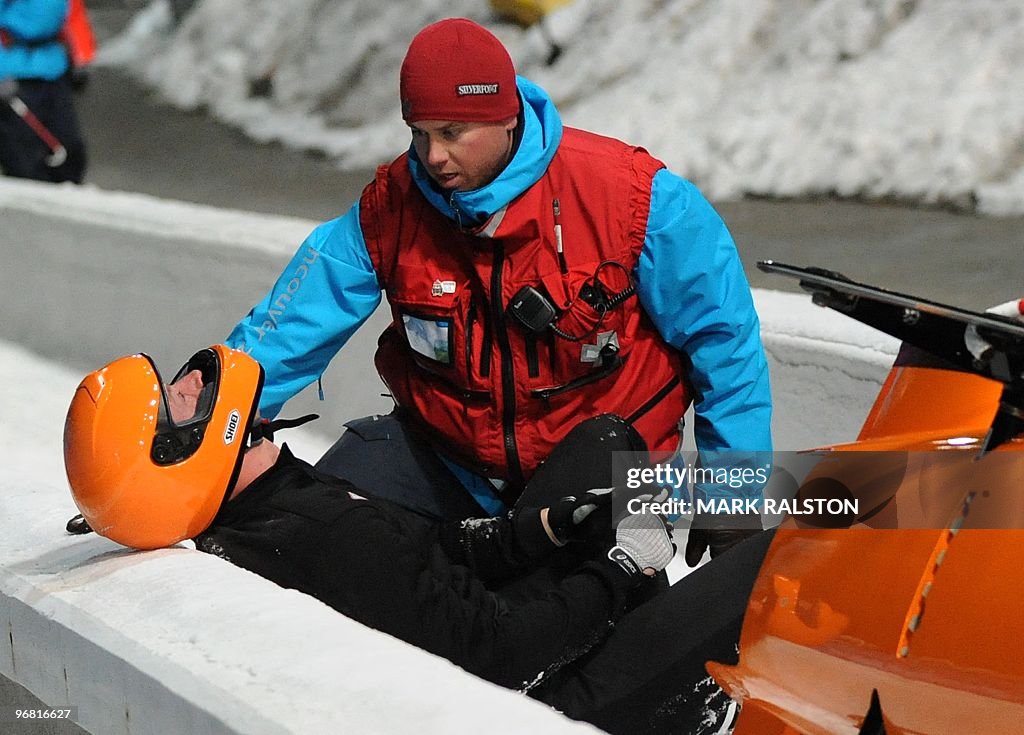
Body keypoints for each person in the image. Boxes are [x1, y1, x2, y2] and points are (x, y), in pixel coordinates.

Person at [226, 18, 772, 563]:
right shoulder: (389, 209)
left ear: (506, 116)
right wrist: (207, 418)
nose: (432, 156)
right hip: (455, 466)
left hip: (606, 476)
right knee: (320, 534)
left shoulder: (635, 199)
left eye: (452, 132)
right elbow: (287, 328)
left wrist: (736, 500)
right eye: (419, 133)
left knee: (558, 621)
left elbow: (726, 344)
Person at [63, 344, 774, 734]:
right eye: (181, 397)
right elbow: (501, 655)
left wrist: (541, 530)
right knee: (779, 546)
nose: (195, 378)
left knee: (607, 444)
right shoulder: (321, 535)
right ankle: (676, 699)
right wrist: (617, 570)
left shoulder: (276, 499)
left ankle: (671, 631)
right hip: (548, 700)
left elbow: (436, 554)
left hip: (497, 630)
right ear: (178, 458)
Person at [0, 0, 87, 183]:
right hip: (14, 71)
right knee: (23, 155)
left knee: (69, 146)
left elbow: (73, 15)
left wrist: (81, 57)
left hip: (54, 69)